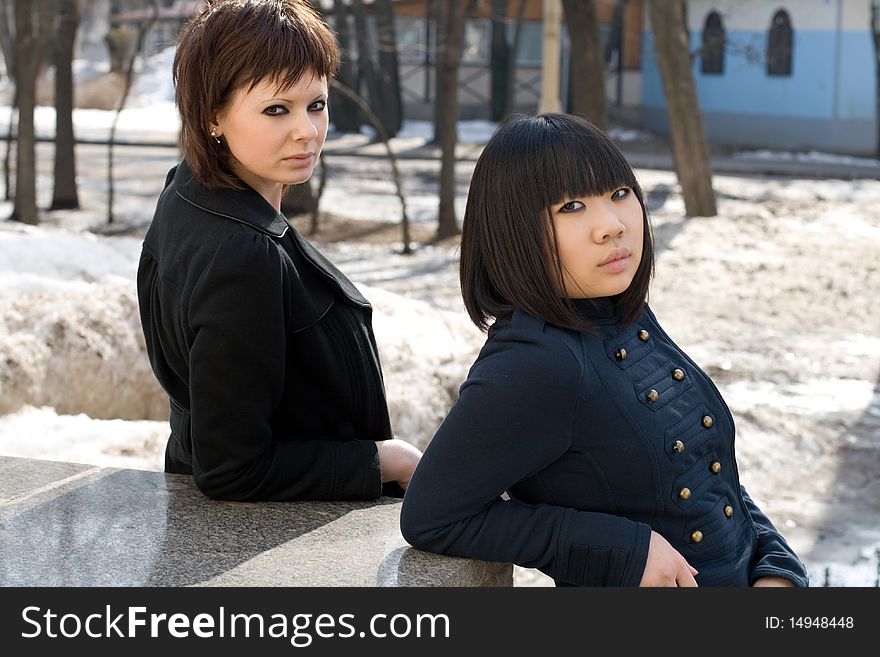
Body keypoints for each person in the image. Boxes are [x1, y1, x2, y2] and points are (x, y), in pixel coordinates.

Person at [399, 113, 809, 587]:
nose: (611, 225)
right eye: (571, 207)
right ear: (514, 233)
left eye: (618, 194)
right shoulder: (534, 361)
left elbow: (708, 477)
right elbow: (432, 517)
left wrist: (777, 570)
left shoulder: (621, 314)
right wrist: (625, 548)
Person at [137, 0, 421, 501]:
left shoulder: (188, 191)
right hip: (275, 538)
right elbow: (233, 468)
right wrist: (387, 460)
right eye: (276, 109)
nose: (307, 131)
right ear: (212, 118)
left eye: (316, 104)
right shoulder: (242, 254)